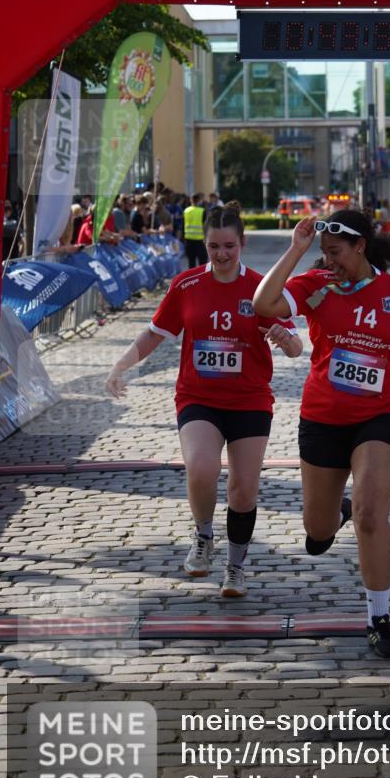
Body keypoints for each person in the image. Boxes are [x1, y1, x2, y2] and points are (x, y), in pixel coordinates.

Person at [253, 210, 390, 659]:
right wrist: (296, 249)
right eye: (323, 253)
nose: (329, 261)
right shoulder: (314, 284)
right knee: (318, 530)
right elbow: (264, 304)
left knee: (371, 514)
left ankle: (379, 618)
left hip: (381, 417)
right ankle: (337, 512)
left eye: (336, 253)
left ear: (361, 246)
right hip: (323, 417)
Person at [105, 202, 302, 597]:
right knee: (200, 468)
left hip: (249, 399)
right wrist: (119, 366)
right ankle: (203, 535)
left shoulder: (262, 289)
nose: (222, 254)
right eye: (214, 246)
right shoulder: (187, 285)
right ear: (205, 244)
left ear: (242, 242)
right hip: (199, 397)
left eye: (229, 245)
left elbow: (296, 347)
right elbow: (154, 332)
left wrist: (286, 340)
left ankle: (235, 566)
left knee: (243, 490)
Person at [183, 192, 208, 267]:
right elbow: (206, 225)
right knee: (202, 260)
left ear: (191, 200)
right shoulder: (202, 211)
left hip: (188, 239)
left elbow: (183, 225)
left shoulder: (186, 210)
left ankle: (192, 277)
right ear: (199, 200)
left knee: (191, 261)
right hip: (199, 239)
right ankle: (202, 276)